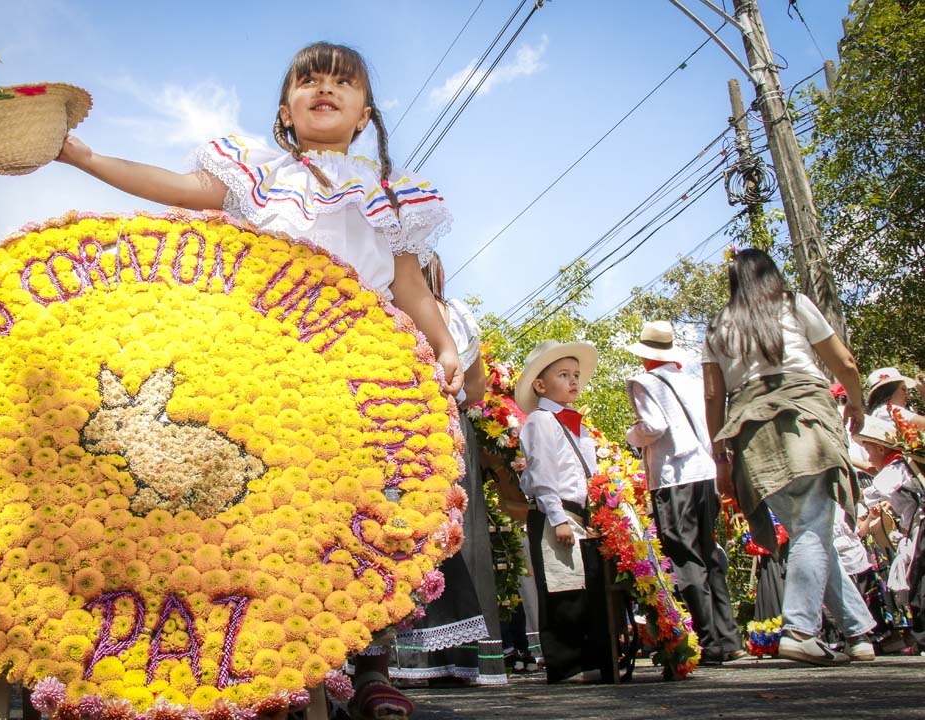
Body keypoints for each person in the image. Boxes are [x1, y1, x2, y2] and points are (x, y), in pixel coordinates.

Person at [57, 42, 461, 720]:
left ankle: (371, 665)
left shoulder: (393, 193)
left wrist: (445, 343)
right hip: (263, 378)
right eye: (309, 81)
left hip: (361, 373)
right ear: (285, 110)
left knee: (370, 513)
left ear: (365, 114)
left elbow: (410, 284)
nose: (324, 89)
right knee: (270, 518)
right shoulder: (256, 174)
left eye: (341, 82)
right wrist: (86, 159)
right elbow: (172, 187)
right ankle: (263, 662)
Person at [702, 247, 875, 667]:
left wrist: (721, 458)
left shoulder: (716, 327)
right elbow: (845, 362)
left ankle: (858, 633)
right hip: (804, 417)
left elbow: (712, 394)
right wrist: (855, 403)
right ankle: (799, 630)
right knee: (813, 523)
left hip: (749, 433)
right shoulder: (793, 303)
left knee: (806, 528)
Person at [390, 253, 505, 686]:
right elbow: (475, 389)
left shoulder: (388, 301)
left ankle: (407, 657)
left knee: (409, 529)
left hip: (405, 423)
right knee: (461, 533)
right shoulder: (460, 316)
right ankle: (471, 655)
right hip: (453, 424)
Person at [624, 320, 744, 665]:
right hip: (704, 473)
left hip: (673, 477)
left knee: (684, 556)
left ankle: (708, 641)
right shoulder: (691, 380)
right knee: (709, 554)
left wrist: (634, 436)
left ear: (646, 356)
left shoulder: (642, 381)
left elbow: (654, 427)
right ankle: (729, 636)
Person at [515, 340, 614, 684]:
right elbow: (543, 474)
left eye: (576, 375)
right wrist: (557, 517)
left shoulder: (578, 425)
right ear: (540, 385)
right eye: (563, 375)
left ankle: (592, 658)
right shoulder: (541, 421)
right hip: (556, 513)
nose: (573, 381)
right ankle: (566, 664)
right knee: (562, 590)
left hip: (581, 513)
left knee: (584, 589)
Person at [853, 415, 925, 650]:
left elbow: (872, 492)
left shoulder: (895, 466)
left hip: (920, 529)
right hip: (915, 528)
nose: (868, 455)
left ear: (881, 447)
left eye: (868, 449)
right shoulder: (903, 465)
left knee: (919, 580)